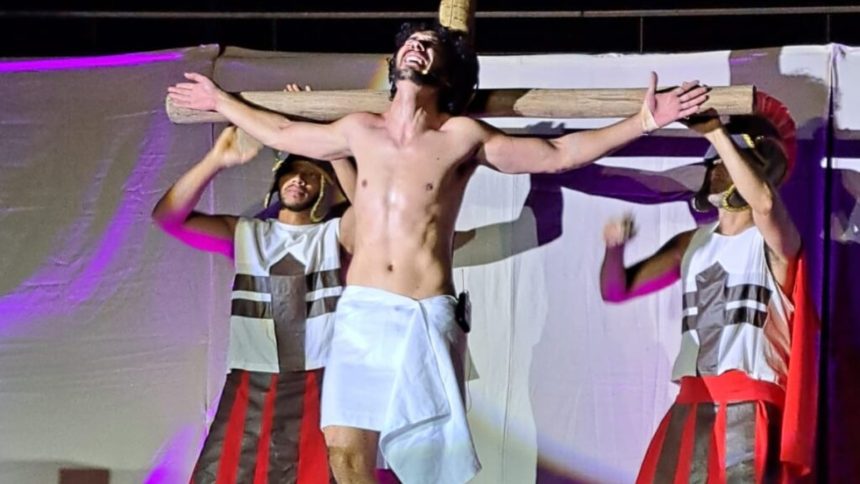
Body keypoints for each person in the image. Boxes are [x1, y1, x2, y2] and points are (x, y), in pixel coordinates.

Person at [167, 21, 709, 484]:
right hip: (360, 313)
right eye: (411, 42)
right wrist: (221, 101)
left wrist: (643, 121)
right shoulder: (359, 130)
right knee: (344, 454)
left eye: (430, 46)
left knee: (428, 465)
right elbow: (285, 130)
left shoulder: (461, 136)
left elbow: (558, 153)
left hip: (423, 314)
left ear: (446, 76)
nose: (416, 47)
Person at [599, 93, 817, 482]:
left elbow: (765, 207)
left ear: (758, 169)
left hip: (749, 404)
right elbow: (615, 290)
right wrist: (613, 251)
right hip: (692, 403)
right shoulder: (693, 243)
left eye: (727, 160)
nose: (715, 167)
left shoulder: (775, 241)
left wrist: (717, 132)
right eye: (712, 161)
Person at [151, 125, 353, 484]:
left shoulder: (335, 235)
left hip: (319, 379)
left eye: (312, 175)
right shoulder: (246, 233)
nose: (300, 180)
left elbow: (375, 215)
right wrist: (215, 160)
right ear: (278, 180)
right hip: (252, 378)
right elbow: (167, 218)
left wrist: (335, 146)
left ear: (327, 186)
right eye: (293, 171)